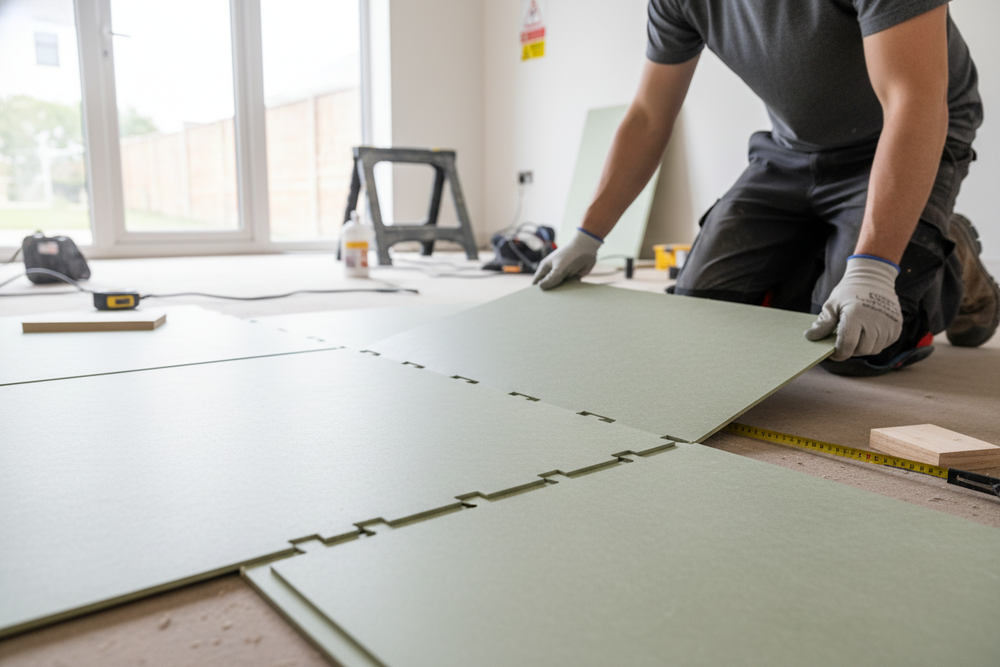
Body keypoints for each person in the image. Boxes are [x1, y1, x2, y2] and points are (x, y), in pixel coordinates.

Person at [532, 0, 999, 377]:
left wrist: (875, 269)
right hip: (792, 151)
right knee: (703, 315)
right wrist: (587, 236)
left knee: (854, 343)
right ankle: (842, 248)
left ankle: (950, 254)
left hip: (906, 131)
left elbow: (913, 100)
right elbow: (648, 117)